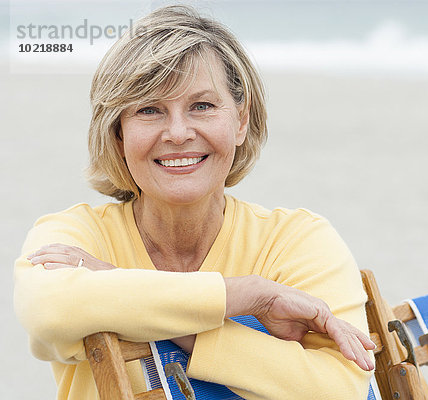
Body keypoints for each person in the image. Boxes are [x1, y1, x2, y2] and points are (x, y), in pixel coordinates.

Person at [14, 5, 375, 399]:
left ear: (240, 120)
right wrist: (248, 294)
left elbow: (342, 389)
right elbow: (46, 312)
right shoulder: (74, 235)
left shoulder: (297, 240)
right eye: (150, 110)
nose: (178, 132)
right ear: (118, 135)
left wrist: (126, 291)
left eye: (201, 106)